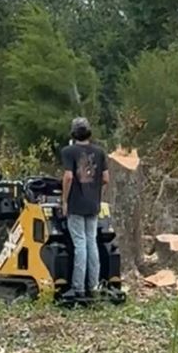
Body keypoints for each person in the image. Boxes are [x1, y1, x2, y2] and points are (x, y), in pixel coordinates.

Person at [60, 117, 109, 299]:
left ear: (73, 133)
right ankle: (94, 286)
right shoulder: (99, 152)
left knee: (79, 244)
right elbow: (105, 179)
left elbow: (68, 177)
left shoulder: (68, 151)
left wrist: (64, 201)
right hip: (93, 203)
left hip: (76, 204)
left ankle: (78, 287)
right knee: (92, 242)